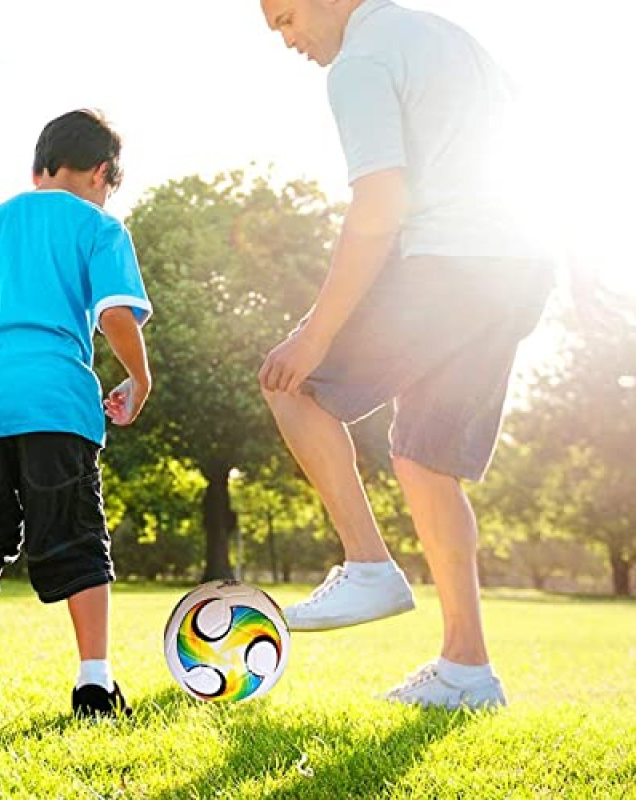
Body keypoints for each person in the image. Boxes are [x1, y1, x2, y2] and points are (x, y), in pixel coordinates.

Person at [258, 0, 556, 709]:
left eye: (289, 17)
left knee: (288, 382)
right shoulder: (446, 36)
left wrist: (316, 335)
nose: (287, 39)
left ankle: (368, 563)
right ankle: (467, 671)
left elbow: (381, 206)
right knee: (426, 458)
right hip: (517, 268)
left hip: (448, 262)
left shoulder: (360, 60)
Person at [0, 109, 152, 719]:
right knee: (77, 536)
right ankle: (94, 684)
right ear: (103, 173)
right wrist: (139, 375)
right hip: (52, 400)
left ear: (39, 167)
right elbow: (113, 316)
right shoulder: (98, 226)